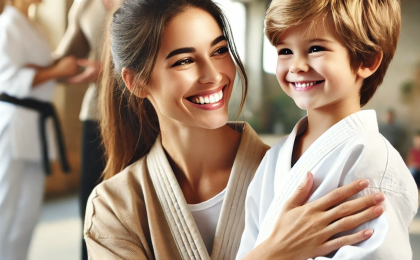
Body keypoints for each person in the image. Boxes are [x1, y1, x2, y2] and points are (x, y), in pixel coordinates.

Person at [84, 0, 386, 259]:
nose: (213, 75)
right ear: (136, 82)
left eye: (219, 51)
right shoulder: (112, 206)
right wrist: (272, 253)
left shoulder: (297, 175)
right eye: (185, 60)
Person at [237, 0, 418, 259]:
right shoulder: (273, 159)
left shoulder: (372, 161)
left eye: (315, 48)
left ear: (366, 59)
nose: (296, 65)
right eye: (285, 51)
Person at [0, 0, 78, 259]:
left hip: (36, 123)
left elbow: (36, 67)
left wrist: (62, 69)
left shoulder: (32, 25)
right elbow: (9, 78)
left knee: (29, 209)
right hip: (14, 121)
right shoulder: (8, 23)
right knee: (5, 202)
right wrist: (56, 69)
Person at [53, 0, 114, 259]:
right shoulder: (85, 5)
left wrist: (110, 70)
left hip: (146, 115)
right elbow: (62, 64)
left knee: (139, 206)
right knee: (92, 209)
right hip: (96, 115)